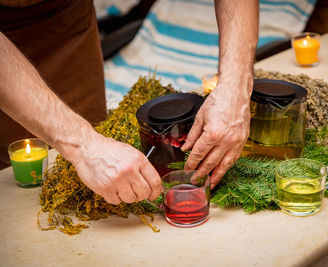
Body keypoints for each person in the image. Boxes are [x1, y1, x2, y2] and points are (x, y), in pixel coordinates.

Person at [0, 0, 258, 204]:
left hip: (64, 14)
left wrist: (235, 86)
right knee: (19, 190)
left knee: (99, 166)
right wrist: (84, 146)